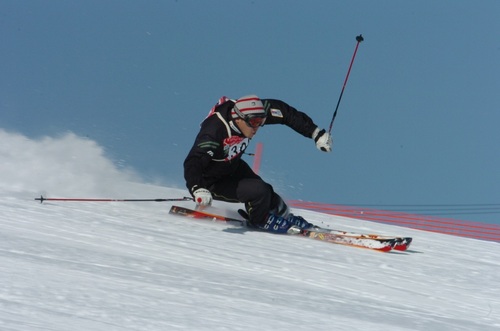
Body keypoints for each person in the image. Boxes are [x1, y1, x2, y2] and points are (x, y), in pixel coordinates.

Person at [183, 95, 332, 234]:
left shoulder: (251, 113)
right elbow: (193, 161)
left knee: (271, 197)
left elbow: (285, 113)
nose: (257, 127)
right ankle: (260, 221)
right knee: (259, 192)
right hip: (210, 181)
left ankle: (285, 217)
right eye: (254, 123)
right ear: (238, 118)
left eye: (261, 122)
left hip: (232, 166)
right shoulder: (214, 131)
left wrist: (315, 133)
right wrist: (197, 188)